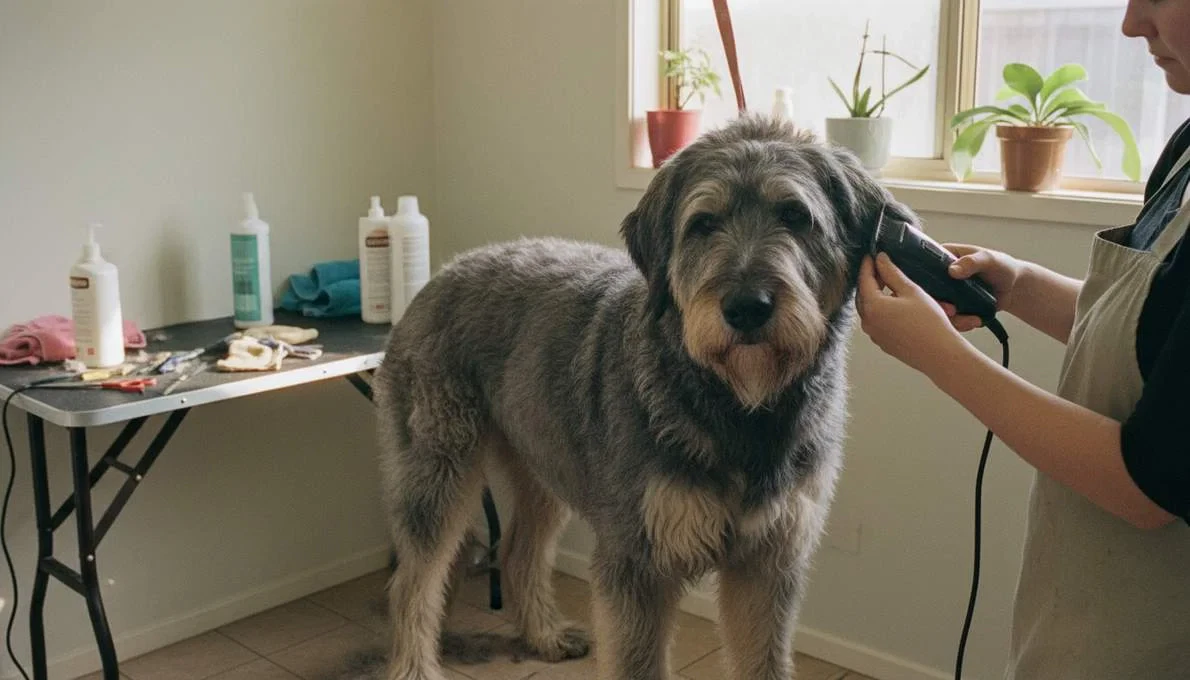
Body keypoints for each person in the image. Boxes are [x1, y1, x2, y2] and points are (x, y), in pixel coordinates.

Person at [854, 1, 1190, 678]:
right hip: (1085, 615)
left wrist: (941, 358)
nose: (1131, 24)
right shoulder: (1185, 149)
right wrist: (1019, 284)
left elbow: (1150, 484)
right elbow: (1153, 338)